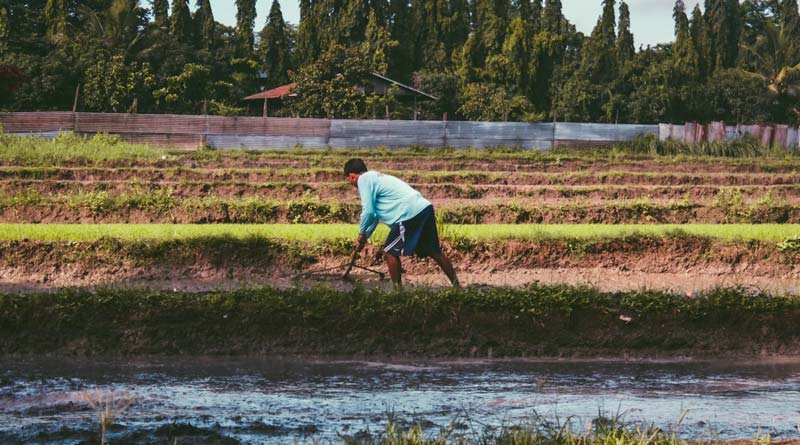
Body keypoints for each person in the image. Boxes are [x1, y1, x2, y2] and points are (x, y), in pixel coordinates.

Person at [344, 158, 460, 288]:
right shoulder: (375, 178)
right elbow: (375, 216)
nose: (350, 182)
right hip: (423, 208)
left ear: (352, 176)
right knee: (434, 251)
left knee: (389, 252)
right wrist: (365, 236)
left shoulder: (364, 180)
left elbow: (368, 211)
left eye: (348, 179)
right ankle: (457, 286)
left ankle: (398, 292)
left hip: (408, 213)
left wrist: (360, 233)